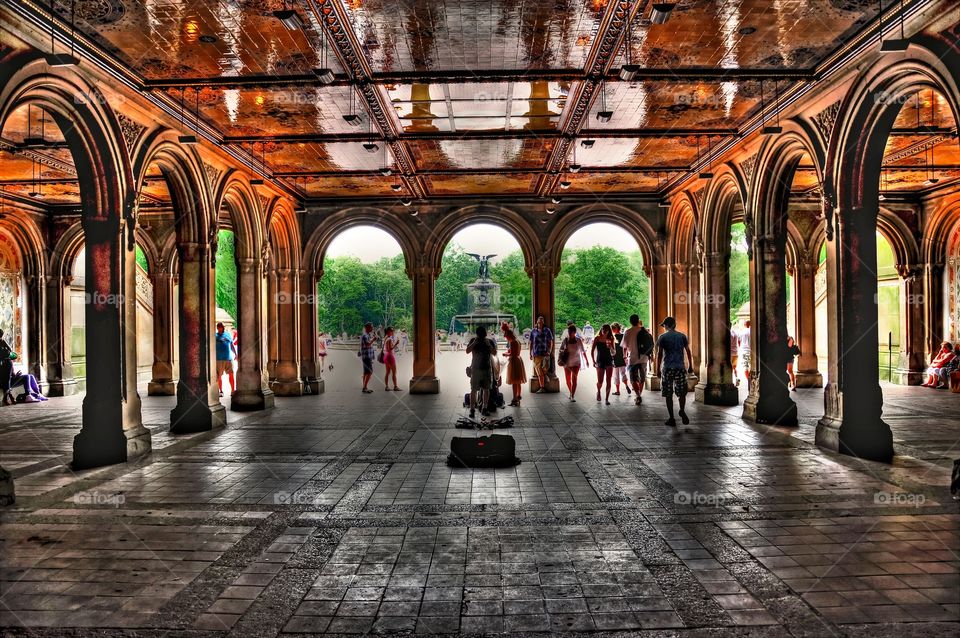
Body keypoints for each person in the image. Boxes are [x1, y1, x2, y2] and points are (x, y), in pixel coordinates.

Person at [656, 316, 694, 427]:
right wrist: (690, 366)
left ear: (667, 326)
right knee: (681, 392)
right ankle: (682, 410)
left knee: (668, 393)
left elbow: (659, 355)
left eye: (664, 326)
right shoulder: (682, 336)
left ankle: (671, 418)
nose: (663, 328)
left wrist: (657, 369)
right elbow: (688, 351)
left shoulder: (662, 337)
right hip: (680, 368)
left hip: (667, 368)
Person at [622, 314, 653, 405]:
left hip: (633, 358)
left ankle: (638, 395)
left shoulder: (628, 332)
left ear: (630, 321)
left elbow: (624, 347)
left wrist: (625, 356)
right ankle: (640, 394)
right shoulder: (645, 331)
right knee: (642, 378)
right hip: (644, 358)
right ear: (638, 320)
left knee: (633, 378)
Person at [466, 326, 497, 418]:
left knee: (486, 389)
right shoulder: (473, 340)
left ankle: (484, 408)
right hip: (476, 369)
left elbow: (494, 353)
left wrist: (489, 345)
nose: (482, 336)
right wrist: (474, 343)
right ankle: (472, 410)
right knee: (474, 390)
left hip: (487, 368)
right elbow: (467, 351)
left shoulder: (489, 342)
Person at [558, 324, 586, 401]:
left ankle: (572, 395)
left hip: (576, 363)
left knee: (574, 379)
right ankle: (570, 392)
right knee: (567, 380)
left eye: (571, 332)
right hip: (567, 363)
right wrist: (564, 350)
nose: (570, 333)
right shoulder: (565, 340)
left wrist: (586, 360)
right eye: (569, 332)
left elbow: (583, 350)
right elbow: (560, 350)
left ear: (575, 332)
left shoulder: (578, 340)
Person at [591, 324, 616, 404]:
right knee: (600, 381)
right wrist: (593, 361)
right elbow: (592, 350)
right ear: (601, 330)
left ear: (608, 331)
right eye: (602, 329)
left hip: (609, 360)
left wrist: (611, 347)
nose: (604, 331)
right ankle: (598, 391)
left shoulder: (611, 339)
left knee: (608, 380)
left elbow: (614, 352)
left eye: (605, 330)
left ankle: (606, 399)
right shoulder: (597, 338)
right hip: (600, 360)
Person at [528, 315, 554, 392]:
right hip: (536, 353)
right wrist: (530, 353)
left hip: (545, 353)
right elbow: (531, 343)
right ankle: (542, 387)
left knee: (546, 367)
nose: (540, 321)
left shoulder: (547, 330)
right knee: (539, 370)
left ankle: (545, 375)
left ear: (544, 322)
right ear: (537, 321)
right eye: (539, 319)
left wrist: (550, 350)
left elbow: (551, 340)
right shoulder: (533, 331)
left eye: (542, 320)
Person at [504, 327, 527, 406]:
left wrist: (505, 354)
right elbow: (515, 351)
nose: (506, 338)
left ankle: (514, 399)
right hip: (518, 360)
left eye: (506, 336)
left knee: (514, 381)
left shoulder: (512, 342)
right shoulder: (517, 341)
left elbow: (512, 354)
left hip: (514, 361)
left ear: (509, 336)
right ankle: (518, 396)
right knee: (518, 381)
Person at [215, 322, 237, 397]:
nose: (221, 328)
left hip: (228, 359)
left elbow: (231, 345)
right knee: (219, 376)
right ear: (217, 328)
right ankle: (220, 391)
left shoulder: (228, 335)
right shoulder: (214, 336)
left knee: (231, 374)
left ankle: (233, 390)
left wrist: (236, 354)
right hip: (218, 359)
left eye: (222, 327)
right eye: (220, 327)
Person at [611, 322, 630, 396]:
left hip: (615, 357)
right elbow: (626, 347)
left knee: (616, 375)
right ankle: (626, 385)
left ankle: (618, 390)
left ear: (615, 329)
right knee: (623, 373)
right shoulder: (623, 336)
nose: (612, 330)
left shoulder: (613, 337)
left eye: (612, 328)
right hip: (622, 357)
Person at [359, 322, 378, 393]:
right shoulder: (365, 336)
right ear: (367, 328)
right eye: (371, 327)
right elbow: (367, 345)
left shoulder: (367, 335)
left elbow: (367, 343)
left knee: (365, 372)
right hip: (366, 356)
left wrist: (373, 338)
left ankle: (365, 386)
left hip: (366, 356)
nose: (372, 328)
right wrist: (373, 339)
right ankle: (364, 387)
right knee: (370, 372)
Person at [381, 326, 400, 391]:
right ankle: (395, 386)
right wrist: (396, 344)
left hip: (386, 356)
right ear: (388, 331)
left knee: (387, 372)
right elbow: (390, 349)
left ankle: (386, 386)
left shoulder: (386, 338)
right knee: (394, 372)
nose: (393, 332)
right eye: (392, 330)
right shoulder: (389, 339)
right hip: (390, 356)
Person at [738, 320, 752, 386]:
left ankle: (748, 381)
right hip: (752, 351)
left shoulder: (741, 332)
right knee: (752, 367)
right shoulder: (753, 331)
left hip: (744, 350)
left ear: (744, 325)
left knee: (745, 367)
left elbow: (739, 342)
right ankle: (752, 381)